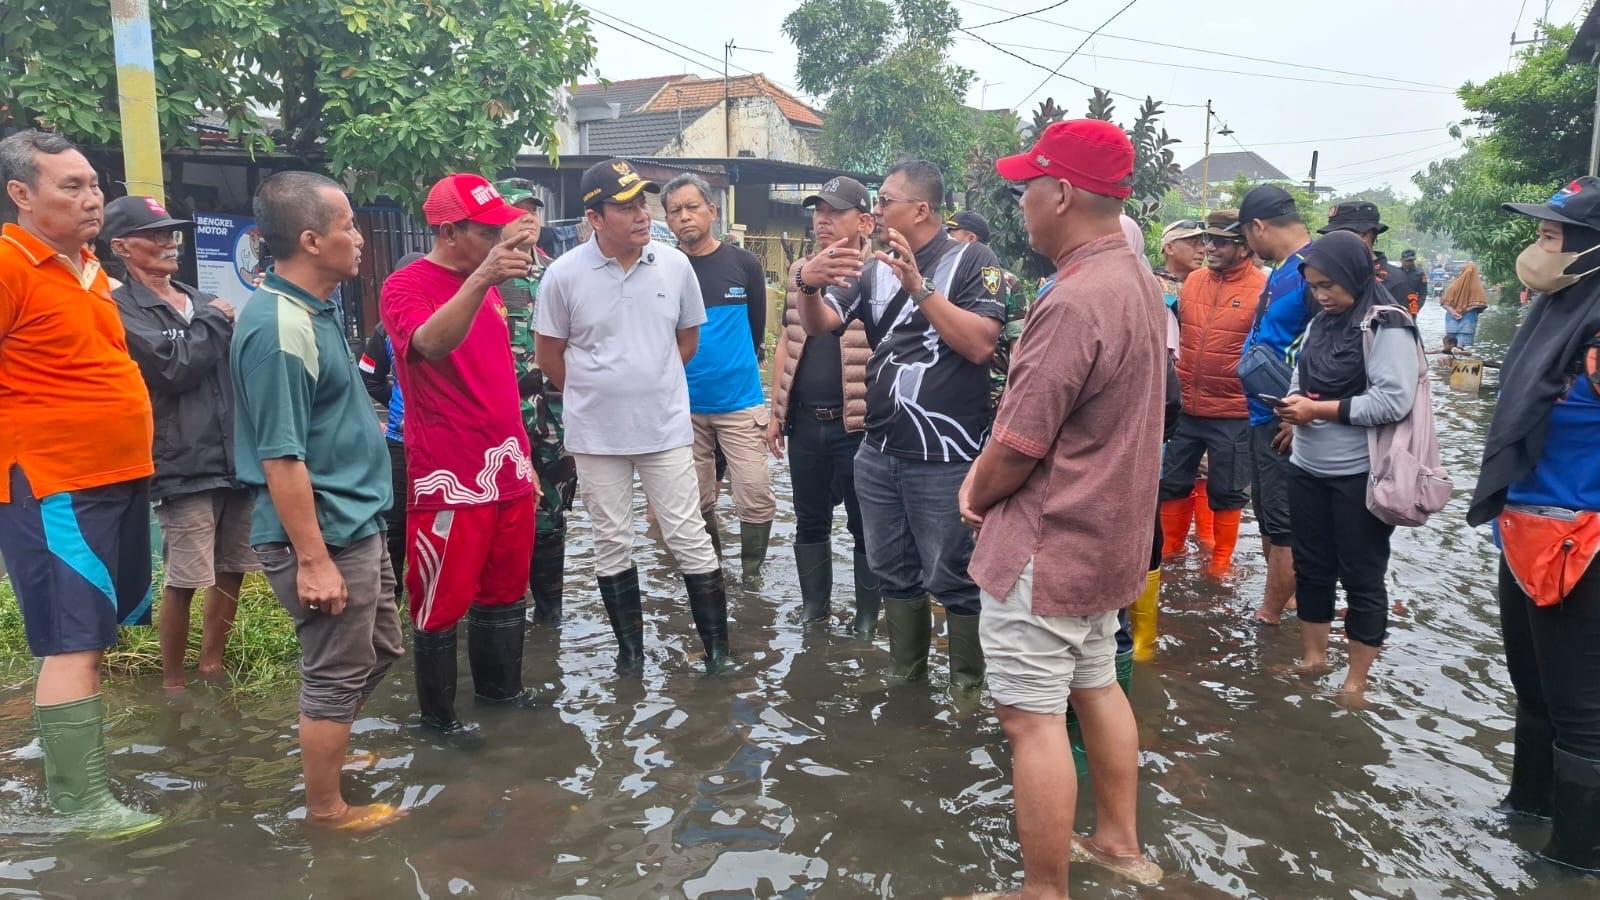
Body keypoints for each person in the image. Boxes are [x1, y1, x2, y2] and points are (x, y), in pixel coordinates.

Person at [955, 118, 1165, 898]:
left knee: (1030, 719)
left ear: (1064, 194)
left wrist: (975, 490)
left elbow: (1018, 443)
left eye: (1028, 188)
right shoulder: (1138, 279)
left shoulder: (1073, 298)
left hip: (1050, 544)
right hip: (1108, 538)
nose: (1021, 204)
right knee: (1097, 685)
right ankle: (1119, 843)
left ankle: (1042, 892)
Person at [230, 171, 404, 831]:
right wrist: (312, 559)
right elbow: (280, 456)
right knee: (335, 671)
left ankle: (326, 749)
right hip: (323, 532)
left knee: (380, 649)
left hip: (356, 519)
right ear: (310, 239)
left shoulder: (315, 309)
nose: (357, 238)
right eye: (348, 226)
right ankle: (326, 810)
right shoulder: (279, 328)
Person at [0, 130, 162, 836]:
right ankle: (79, 805)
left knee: (95, 631)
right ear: (21, 193)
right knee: (73, 641)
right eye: (71, 185)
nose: (92, 197)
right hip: (56, 483)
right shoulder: (9, 265)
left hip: (116, 475)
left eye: (94, 183)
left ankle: (75, 774)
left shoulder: (89, 268)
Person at [795, 160, 1005, 690]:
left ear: (921, 209)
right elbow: (822, 325)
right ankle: (906, 677)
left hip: (947, 454)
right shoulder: (874, 267)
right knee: (892, 570)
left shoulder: (973, 259)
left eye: (886, 200)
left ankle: (967, 689)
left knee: (955, 576)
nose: (877, 209)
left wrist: (919, 287)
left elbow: (981, 344)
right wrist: (806, 286)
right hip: (879, 448)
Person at [535, 159, 730, 674]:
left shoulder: (674, 266)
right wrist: (595, 393)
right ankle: (631, 656)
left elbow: (686, 340)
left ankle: (719, 655)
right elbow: (549, 354)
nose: (642, 215)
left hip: (664, 428)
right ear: (595, 218)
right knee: (611, 541)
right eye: (625, 207)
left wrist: (648, 381)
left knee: (687, 535)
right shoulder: (563, 275)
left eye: (642, 203)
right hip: (596, 437)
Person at [1469, 176, 1600, 872]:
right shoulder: (1555, 309)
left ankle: (1575, 861)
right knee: (1534, 688)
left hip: (1584, 539)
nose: (1537, 248)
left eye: (1551, 236)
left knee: (1583, 710)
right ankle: (1527, 809)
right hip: (1525, 525)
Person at [380, 174, 540, 735]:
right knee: (440, 601)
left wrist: (525, 459)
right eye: (488, 231)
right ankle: (439, 723)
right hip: (449, 473)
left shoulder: (490, 285)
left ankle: (502, 696)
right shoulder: (406, 284)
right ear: (449, 232)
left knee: (506, 591)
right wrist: (482, 277)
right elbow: (429, 344)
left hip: (507, 466)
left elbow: (499, 381)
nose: (499, 240)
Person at [104, 195, 257, 690]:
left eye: (171, 234)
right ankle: (173, 681)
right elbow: (170, 367)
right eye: (155, 235)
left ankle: (211, 664)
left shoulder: (198, 298)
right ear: (122, 248)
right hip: (181, 462)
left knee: (232, 568)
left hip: (233, 457)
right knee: (186, 577)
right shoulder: (121, 307)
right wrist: (213, 320)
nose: (170, 243)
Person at [1275, 230, 1420, 703]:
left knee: (1362, 574)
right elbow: (1300, 377)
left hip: (1361, 475)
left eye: (1330, 285)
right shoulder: (1320, 324)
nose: (1322, 296)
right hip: (1307, 468)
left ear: (1355, 276)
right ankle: (1313, 660)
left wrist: (1318, 410)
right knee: (1312, 567)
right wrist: (1293, 411)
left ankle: (1356, 682)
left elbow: (1393, 401)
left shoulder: (1387, 326)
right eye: (1315, 286)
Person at [769, 177, 878, 632]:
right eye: (818, 211)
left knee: (864, 524)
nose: (823, 220)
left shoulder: (880, 274)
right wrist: (776, 413)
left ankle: (867, 619)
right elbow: (786, 341)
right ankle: (815, 611)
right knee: (809, 521)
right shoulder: (801, 271)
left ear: (865, 221)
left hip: (858, 426)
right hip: (805, 423)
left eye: (835, 212)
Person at [662, 173, 776, 579]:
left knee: (756, 493)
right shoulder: (665, 269)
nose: (684, 217)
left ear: (712, 211)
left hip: (740, 401)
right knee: (695, 498)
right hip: (684, 406)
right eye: (675, 211)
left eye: (692, 207)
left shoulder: (744, 264)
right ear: (667, 221)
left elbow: (756, 329)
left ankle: (751, 576)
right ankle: (710, 573)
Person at [1157, 210, 1265, 577]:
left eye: (1220, 241)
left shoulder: (1262, 289)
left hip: (1233, 409)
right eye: (1207, 240)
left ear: (1244, 247)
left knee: (1228, 490)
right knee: (1172, 482)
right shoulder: (1193, 282)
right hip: (1187, 407)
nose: (1209, 248)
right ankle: (1171, 552)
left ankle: (1220, 564)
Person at [495, 179, 575, 626]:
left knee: (552, 514)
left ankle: (549, 615)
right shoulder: (483, 278)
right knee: (498, 514)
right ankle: (497, 613)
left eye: (533, 209)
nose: (528, 217)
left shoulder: (557, 274)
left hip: (553, 419)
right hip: (500, 420)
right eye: (516, 209)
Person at [1236, 185, 1315, 625]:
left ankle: (1269, 618)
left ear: (1258, 227)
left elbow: (1332, 347)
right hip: (1262, 414)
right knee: (1268, 518)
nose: (1248, 246)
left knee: (1284, 525)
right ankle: (1287, 603)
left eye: (1246, 236)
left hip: (1287, 420)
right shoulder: (1283, 269)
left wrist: (1306, 413)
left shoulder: (1313, 271)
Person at [357, 252, 426, 589]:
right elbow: (368, 377)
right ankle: (393, 595)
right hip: (400, 441)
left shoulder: (453, 320)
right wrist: (400, 406)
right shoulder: (385, 330)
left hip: (445, 440)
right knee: (395, 522)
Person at [945, 210, 1026, 411]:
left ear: (971, 239)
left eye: (951, 233)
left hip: (993, 395)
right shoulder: (944, 279)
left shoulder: (1007, 283)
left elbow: (1019, 346)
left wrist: (1014, 398)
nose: (946, 240)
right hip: (949, 391)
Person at [1154, 218, 1204, 308]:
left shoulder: (1206, 285)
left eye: (1203, 244)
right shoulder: (1152, 285)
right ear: (1169, 248)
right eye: (1194, 243)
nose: (1202, 250)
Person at [1441, 263, 1489, 348]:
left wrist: (1454, 313)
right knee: (1461, 346)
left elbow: (1445, 303)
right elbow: (1480, 304)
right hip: (1468, 319)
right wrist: (1464, 310)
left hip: (1452, 318)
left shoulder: (1453, 285)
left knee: (1450, 344)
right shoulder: (1477, 287)